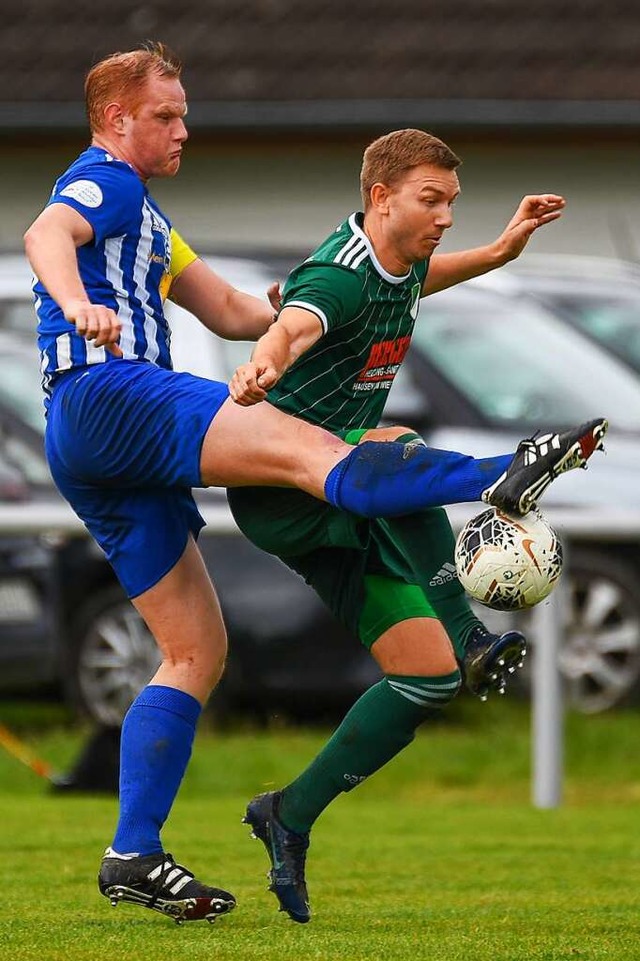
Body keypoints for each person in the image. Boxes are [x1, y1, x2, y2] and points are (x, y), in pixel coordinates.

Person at [24, 44, 605, 927]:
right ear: (115, 121)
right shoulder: (106, 181)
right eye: (167, 115)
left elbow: (229, 310)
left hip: (93, 446)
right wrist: (75, 301)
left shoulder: (151, 222)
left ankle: (133, 852)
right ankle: (503, 473)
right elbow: (45, 234)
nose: (185, 127)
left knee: (194, 652)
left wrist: (292, 307)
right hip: (109, 395)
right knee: (318, 451)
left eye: (185, 113)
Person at [227, 128, 607, 924]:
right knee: (393, 442)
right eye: (430, 201)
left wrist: (501, 252)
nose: (444, 217)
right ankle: (495, 500)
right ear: (380, 197)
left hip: (345, 499)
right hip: (285, 491)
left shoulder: (395, 264)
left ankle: (287, 816)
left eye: (451, 204)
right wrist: (266, 359)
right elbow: (298, 318)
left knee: (424, 678)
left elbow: (422, 279)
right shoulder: (340, 273)